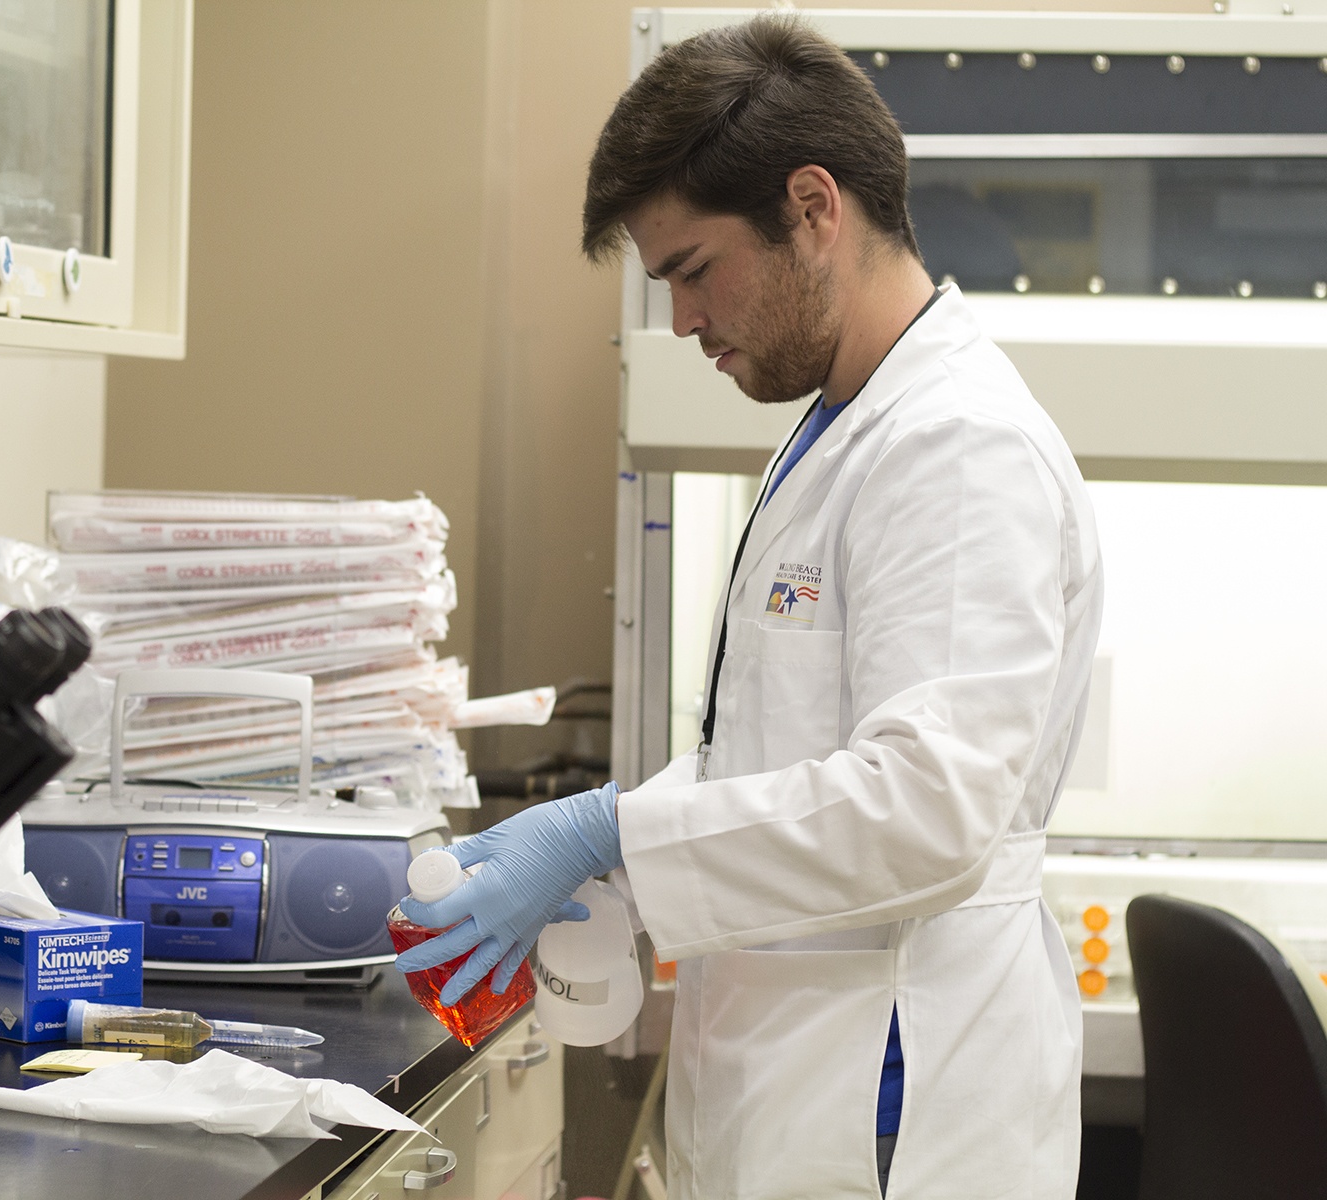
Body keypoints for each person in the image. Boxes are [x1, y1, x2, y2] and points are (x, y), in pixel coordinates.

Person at [393, 14, 1102, 1200]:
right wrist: (600, 856)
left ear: (815, 207)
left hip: (888, 1109)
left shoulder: (956, 447)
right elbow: (774, 757)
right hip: (798, 1083)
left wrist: (609, 831)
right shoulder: (840, 432)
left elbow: (928, 809)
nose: (681, 323)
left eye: (693, 271)